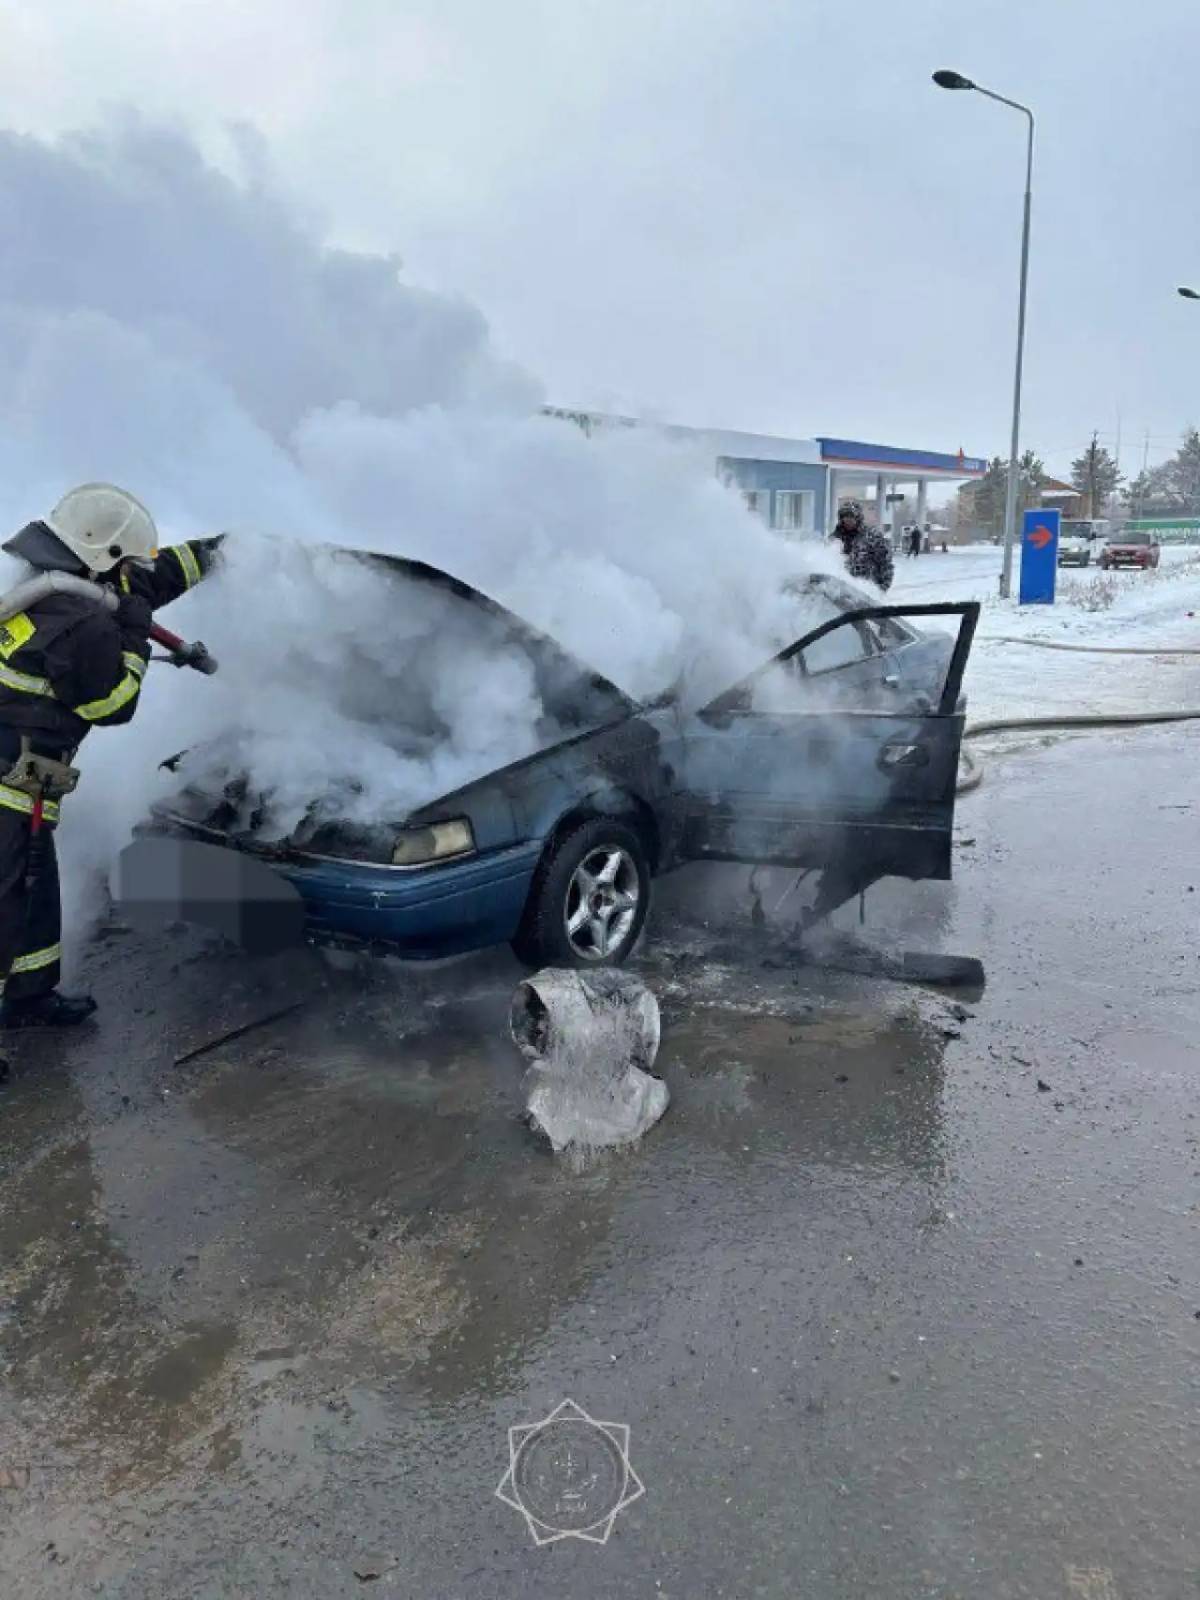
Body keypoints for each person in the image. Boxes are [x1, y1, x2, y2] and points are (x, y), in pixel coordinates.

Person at [0, 484, 223, 1028]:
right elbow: (112, 704)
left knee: (34, 891)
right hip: (10, 783)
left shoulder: (45, 571)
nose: (130, 574)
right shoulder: (81, 621)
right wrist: (136, 642)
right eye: (125, 562)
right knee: (7, 899)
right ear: (103, 555)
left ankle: (29, 994)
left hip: (26, 778)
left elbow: (146, 578)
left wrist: (222, 551)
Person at [831, 499, 894, 591]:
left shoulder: (872, 536)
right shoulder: (834, 538)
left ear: (858, 517)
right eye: (845, 516)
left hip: (867, 589)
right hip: (840, 589)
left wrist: (883, 587)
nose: (848, 519)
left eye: (851, 516)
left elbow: (885, 563)